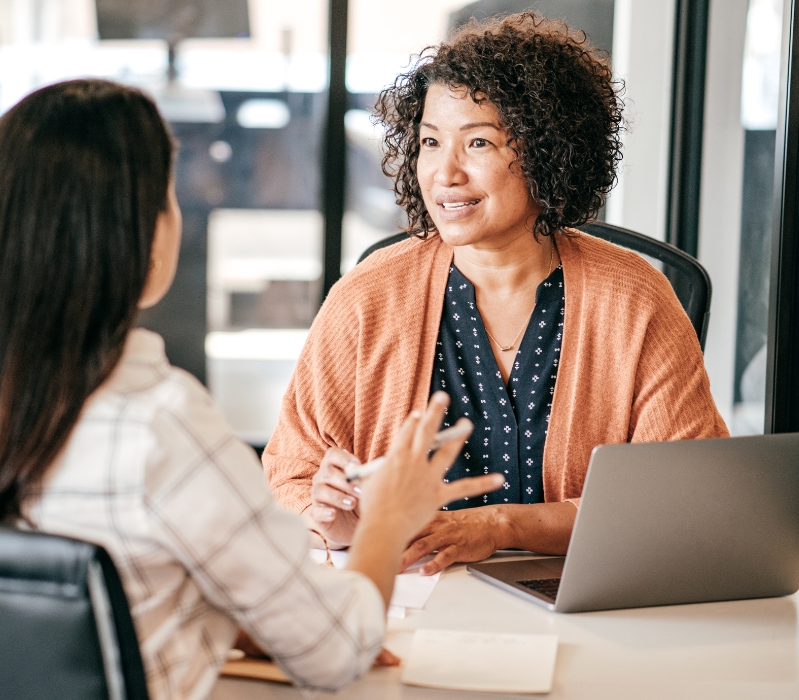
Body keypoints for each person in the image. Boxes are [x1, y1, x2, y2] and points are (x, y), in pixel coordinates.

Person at [0, 79, 502, 700]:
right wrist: (388, 522)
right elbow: (337, 652)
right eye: (169, 196)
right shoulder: (159, 424)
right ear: (141, 232)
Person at [263, 13, 728, 576]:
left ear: (546, 150)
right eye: (431, 142)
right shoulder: (368, 296)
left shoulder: (634, 297)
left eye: (478, 141)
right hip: (404, 594)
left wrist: (502, 526)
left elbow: (681, 498)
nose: (445, 173)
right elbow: (291, 474)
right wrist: (330, 518)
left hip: (578, 599)